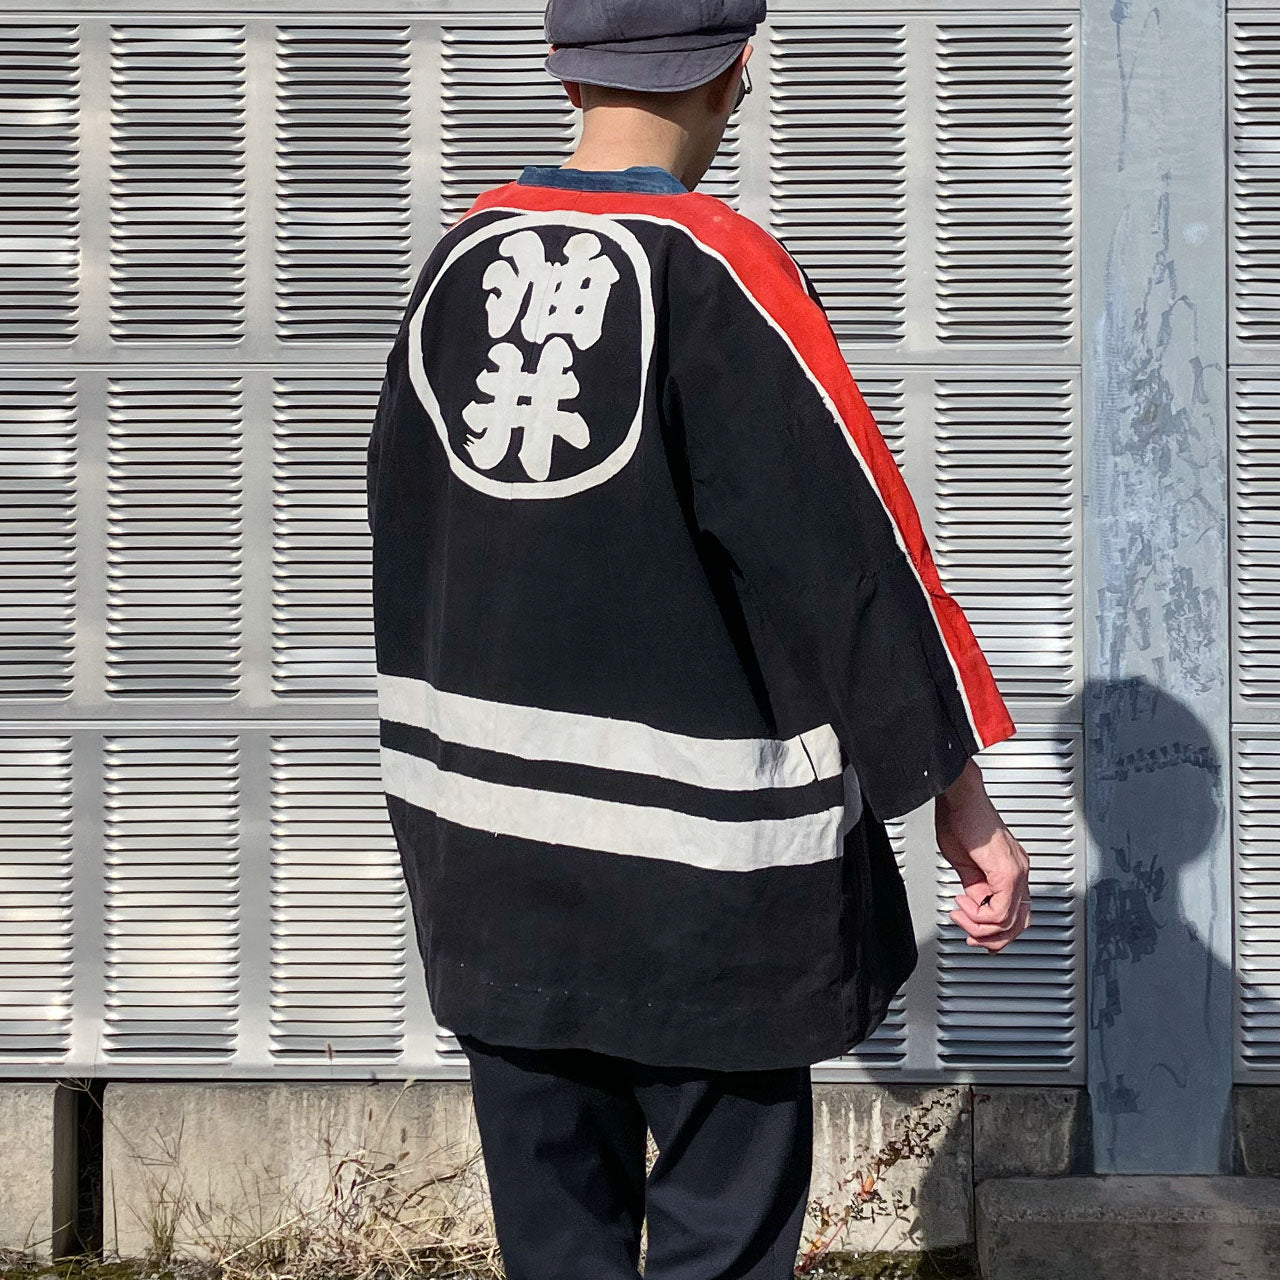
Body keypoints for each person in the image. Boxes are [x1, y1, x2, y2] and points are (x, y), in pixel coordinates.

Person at [365, 1, 1033, 1274]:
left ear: (562, 66)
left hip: (495, 880)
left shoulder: (454, 264)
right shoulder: (718, 269)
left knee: (555, 1245)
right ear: (738, 72)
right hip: (703, 895)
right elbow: (847, 561)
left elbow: (401, 529)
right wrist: (957, 799)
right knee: (720, 1242)